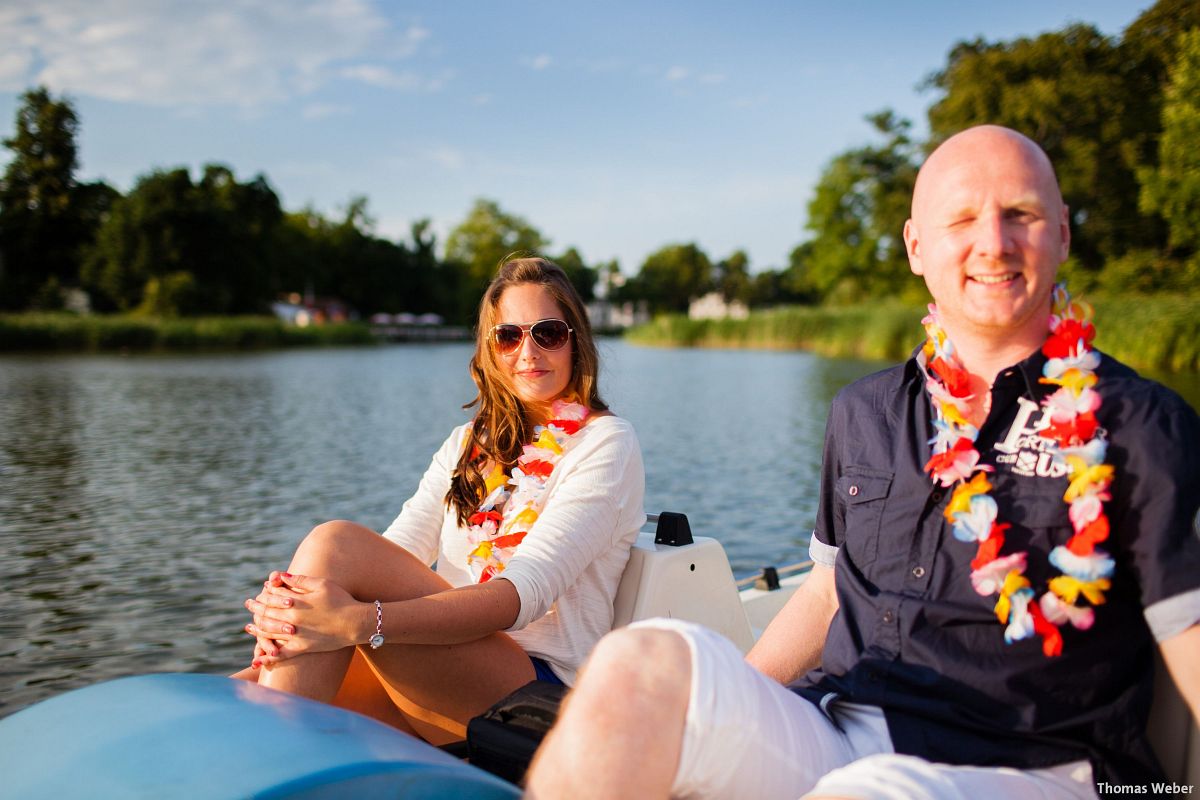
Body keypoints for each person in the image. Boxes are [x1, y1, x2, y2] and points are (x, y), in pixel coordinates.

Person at [526, 126, 1200, 799]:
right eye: (962, 218)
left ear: (1061, 233)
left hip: (1031, 763)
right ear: (916, 246)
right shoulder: (866, 410)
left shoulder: (1142, 424)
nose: (994, 242)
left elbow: (1187, 635)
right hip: (841, 723)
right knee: (638, 663)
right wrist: (718, 709)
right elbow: (823, 594)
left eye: (1020, 214)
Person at [236, 256, 645, 744]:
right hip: (439, 665)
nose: (528, 352)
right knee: (241, 690)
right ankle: (259, 739)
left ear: (576, 340)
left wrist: (357, 622)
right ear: (491, 350)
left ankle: (266, 754)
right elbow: (397, 552)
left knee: (335, 543)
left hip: (542, 695)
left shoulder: (606, 444)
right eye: (509, 336)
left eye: (548, 333)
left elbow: (521, 595)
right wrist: (288, 625)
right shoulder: (466, 442)